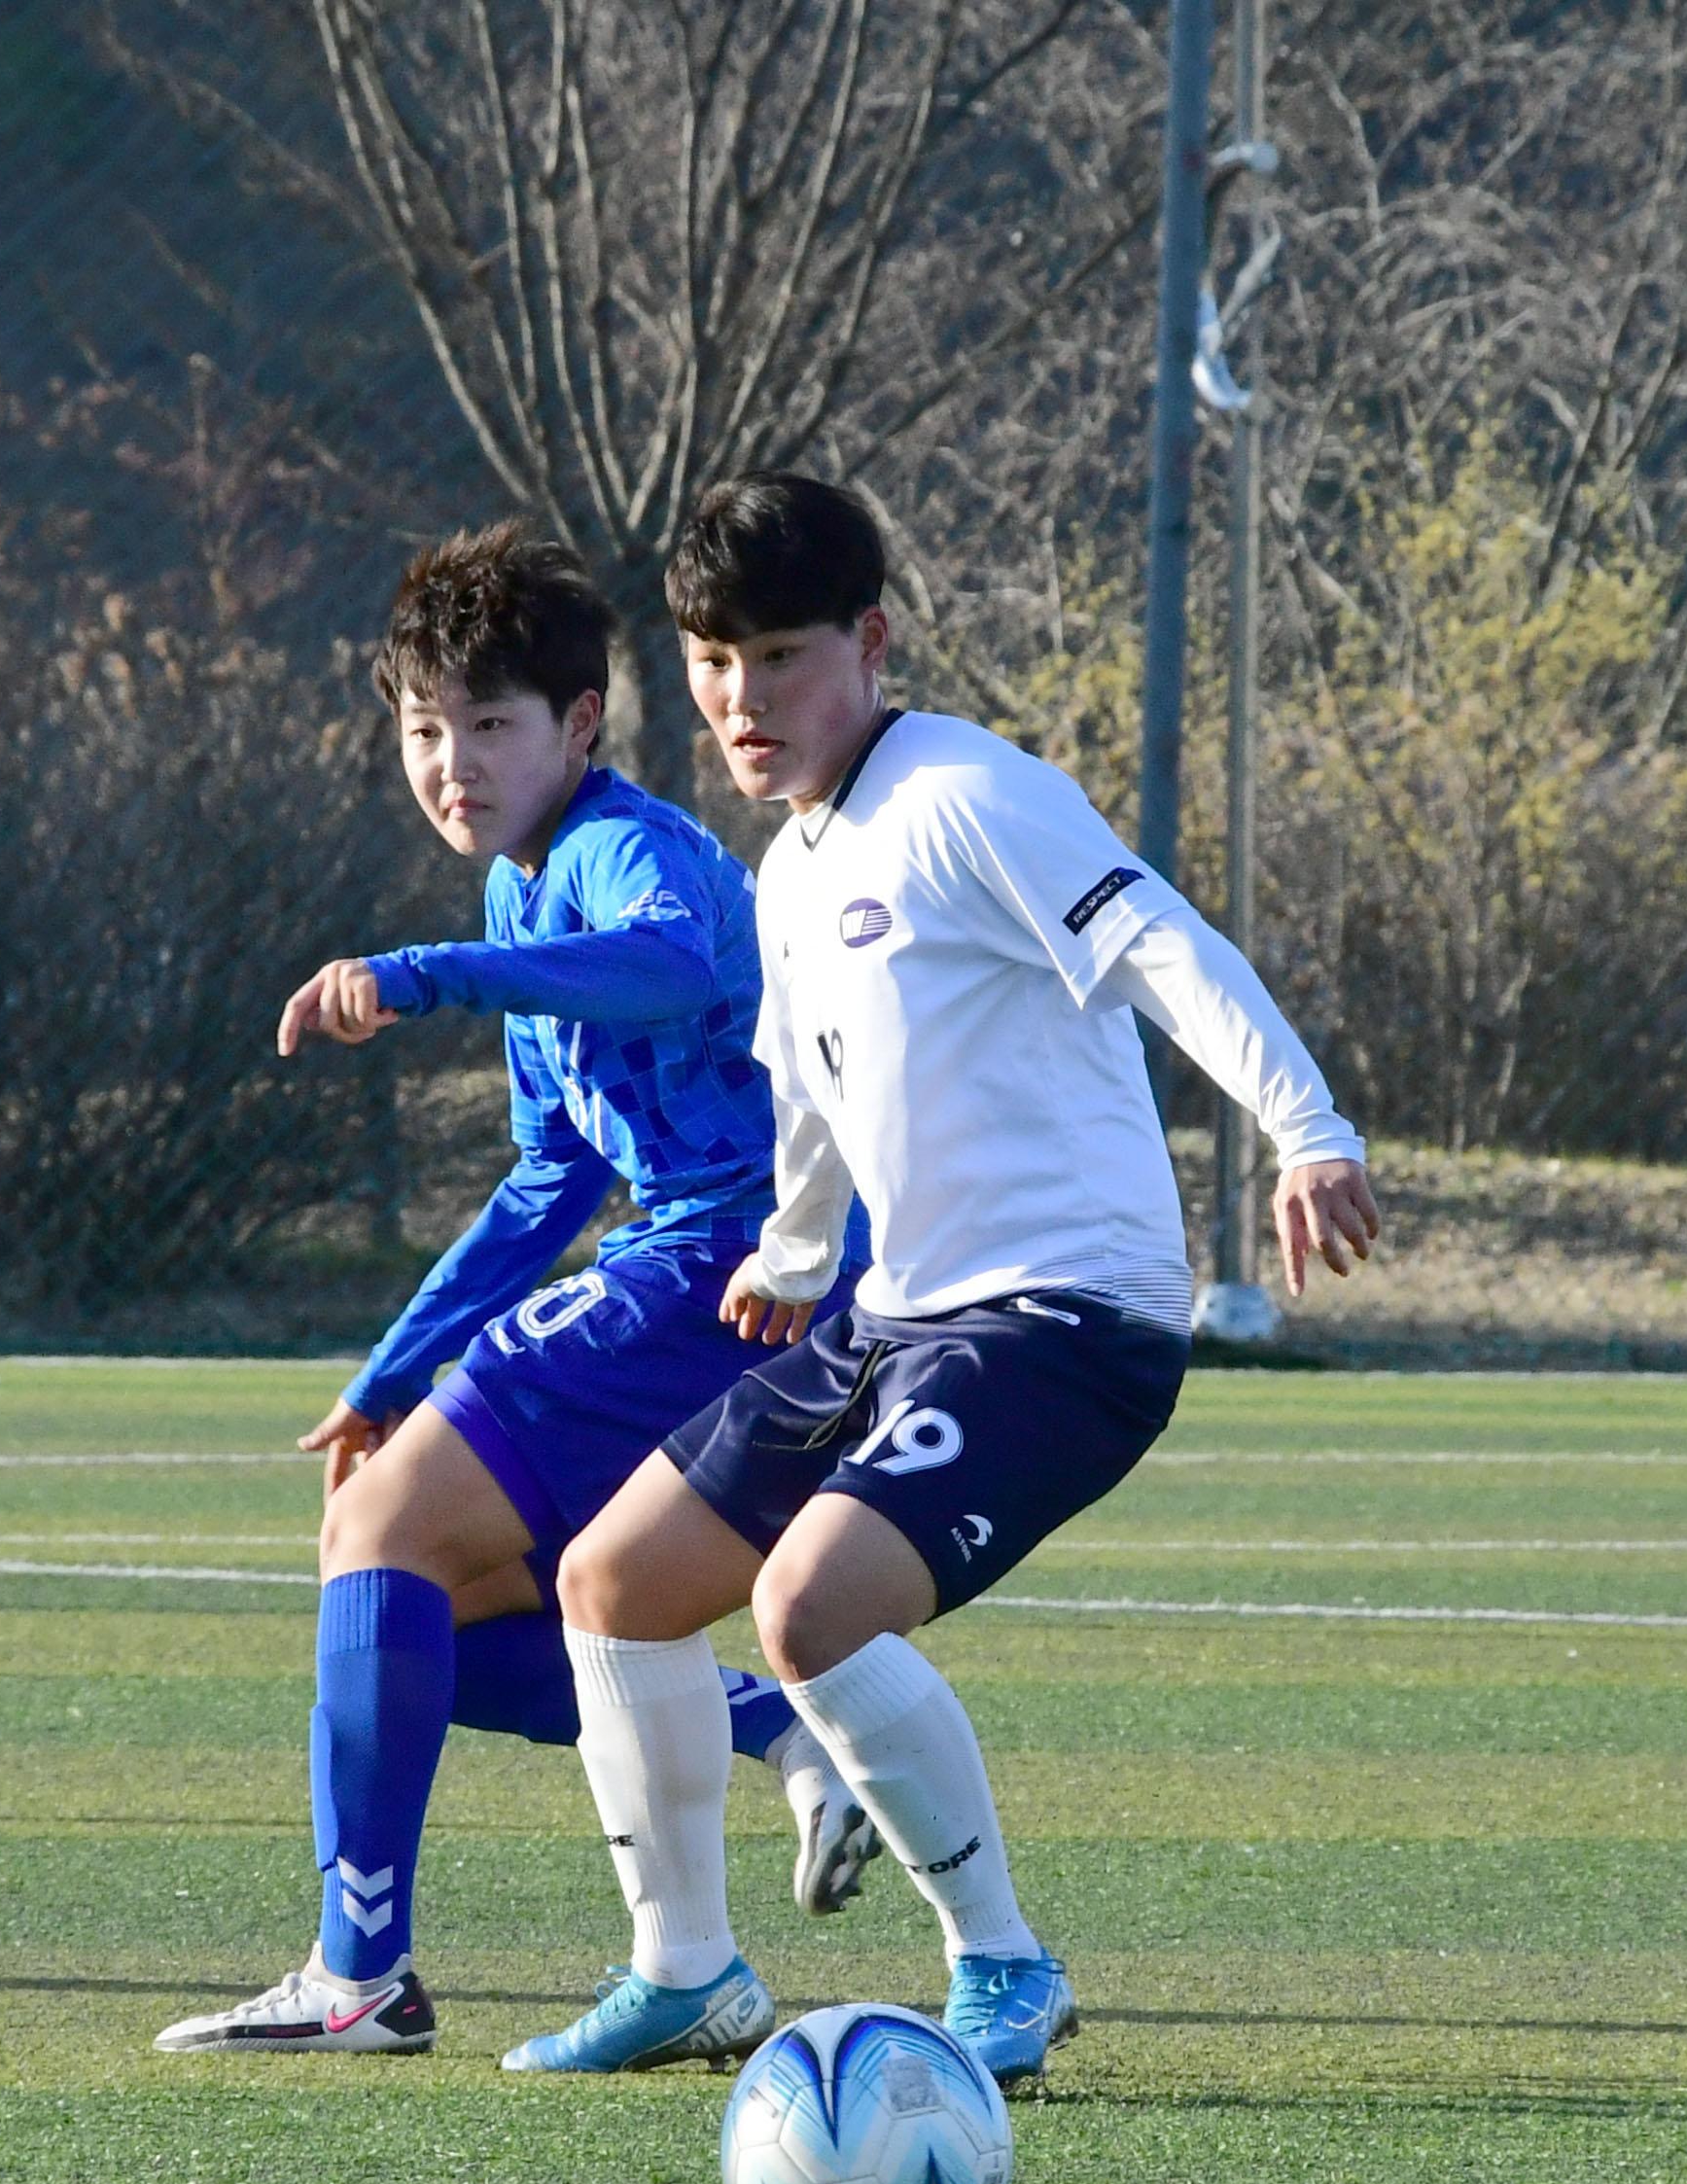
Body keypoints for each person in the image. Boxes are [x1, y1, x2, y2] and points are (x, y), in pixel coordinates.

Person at [506, 474, 1380, 2085]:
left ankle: (1006, 1968)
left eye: (779, 656)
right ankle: (686, 1971)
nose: (742, 701)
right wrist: (788, 1253)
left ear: (872, 640)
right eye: (712, 661)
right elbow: (820, 1095)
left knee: (806, 1609)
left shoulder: (970, 793)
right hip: (897, 1314)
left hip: (1067, 1319)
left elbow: (1168, 944)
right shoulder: (785, 869)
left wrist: (1307, 1131)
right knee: (611, 1581)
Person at [154, 521, 878, 2058]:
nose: (452, 764)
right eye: (426, 730)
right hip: (698, 1268)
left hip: (739, 1266)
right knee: (449, 1591)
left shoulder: (622, 849)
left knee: (382, 1532)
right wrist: (390, 1374)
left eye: (491, 726)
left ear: (583, 728)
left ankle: (360, 1977)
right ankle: (786, 1735)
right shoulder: (519, 889)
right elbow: (548, 1181)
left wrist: (424, 976)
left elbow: (680, 954)